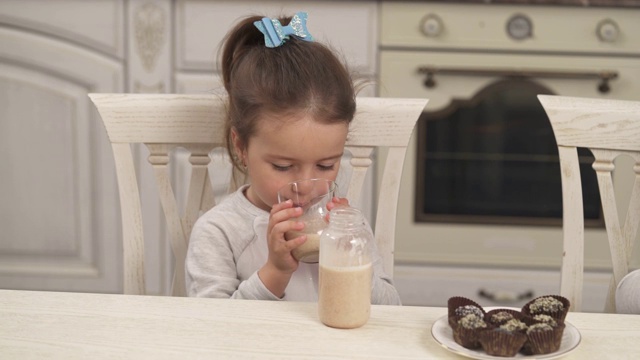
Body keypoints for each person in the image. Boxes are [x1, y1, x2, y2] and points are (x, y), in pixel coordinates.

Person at [185, 12, 401, 304]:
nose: (307, 186)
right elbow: (212, 328)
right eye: (283, 166)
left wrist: (348, 253)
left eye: (326, 165)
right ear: (241, 147)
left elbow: (391, 309)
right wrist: (274, 272)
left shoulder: (348, 224)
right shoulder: (219, 232)